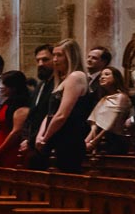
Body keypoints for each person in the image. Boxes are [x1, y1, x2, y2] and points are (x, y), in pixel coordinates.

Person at [33, 39, 92, 172]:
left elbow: (62, 114)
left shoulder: (76, 76)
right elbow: (50, 113)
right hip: (55, 136)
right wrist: (40, 135)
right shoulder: (62, 79)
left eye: (59, 55)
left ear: (70, 57)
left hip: (68, 139)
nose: (55, 59)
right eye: (53, 55)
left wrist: (45, 138)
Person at [0, 70, 32, 168]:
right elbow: (1, 128)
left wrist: (0, 149)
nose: (0, 86)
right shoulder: (7, 102)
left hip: (12, 149)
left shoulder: (20, 104)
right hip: (1, 146)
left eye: (4, 84)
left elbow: (16, 132)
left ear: (13, 87)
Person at [21, 44, 55, 164]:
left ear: (55, 59)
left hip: (48, 144)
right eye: (38, 60)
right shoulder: (40, 85)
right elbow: (32, 114)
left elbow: (50, 114)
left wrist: (32, 140)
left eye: (45, 60)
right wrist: (27, 138)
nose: (40, 64)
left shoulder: (57, 85)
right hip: (33, 144)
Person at [86, 67, 132, 155]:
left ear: (116, 78)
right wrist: (86, 142)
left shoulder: (121, 97)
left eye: (107, 74)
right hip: (100, 139)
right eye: (101, 75)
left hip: (114, 140)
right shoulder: (104, 99)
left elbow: (111, 124)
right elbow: (94, 124)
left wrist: (94, 142)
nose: (102, 77)